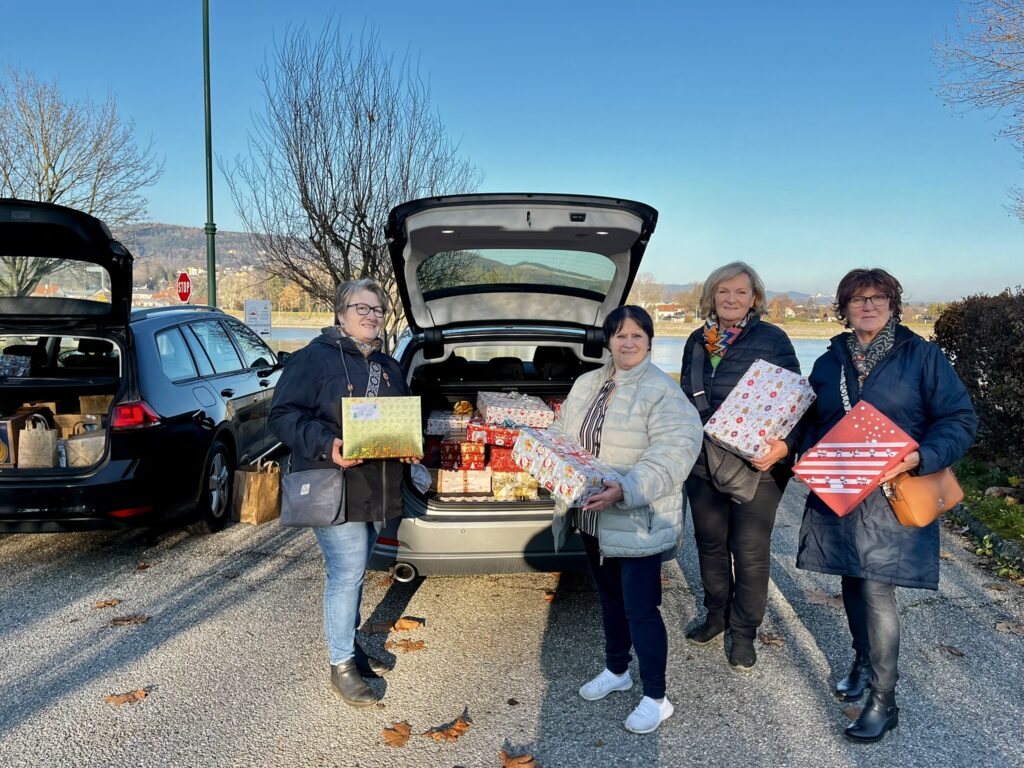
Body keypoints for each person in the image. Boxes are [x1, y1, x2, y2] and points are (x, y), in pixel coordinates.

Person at [796, 268, 976, 743]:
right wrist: (804, 453)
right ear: (845, 308)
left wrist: (920, 457)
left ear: (893, 304)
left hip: (894, 495)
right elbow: (813, 419)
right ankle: (860, 660)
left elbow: (959, 419)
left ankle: (883, 699)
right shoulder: (831, 360)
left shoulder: (922, 356)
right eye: (858, 300)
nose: (868, 306)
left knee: (876, 590)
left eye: (878, 298)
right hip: (841, 491)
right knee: (851, 580)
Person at [549, 305, 702, 735]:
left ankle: (657, 698)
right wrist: (547, 460)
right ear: (608, 341)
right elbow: (562, 433)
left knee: (642, 609)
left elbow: (675, 450)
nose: (628, 342)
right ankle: (618, 670)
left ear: (650, 341)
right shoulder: (587, 384)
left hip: (637, 518)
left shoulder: (662, 392)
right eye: (620, 335)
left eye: (637, 335)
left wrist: (628, 488)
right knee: (610, 600)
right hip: (593, 517)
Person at [269, 278, 420, 709]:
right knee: (348, 570)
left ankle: (351, 649)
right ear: (341, 313)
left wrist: (409, 447)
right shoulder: (313, 360)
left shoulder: (390, 367)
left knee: (356, 568)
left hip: (375, 486)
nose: (371, 316)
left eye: (377, 310)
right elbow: (281, 416)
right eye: (362, 308)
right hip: (330, 483)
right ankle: (340, 664)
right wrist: (326, 443)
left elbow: (398, 420)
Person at [678, 262, 800, 671]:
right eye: (723, 291)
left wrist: (783, 449)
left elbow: (798, 403)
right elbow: (684, 399)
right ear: (711, 295)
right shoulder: (697, 341)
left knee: (748, 550)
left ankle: (744, 631)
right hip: (703, 461)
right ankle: (716, 616)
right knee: (710, 546)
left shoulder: (772, 339)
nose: (731, 299)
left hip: (757, 465)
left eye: (741, 292)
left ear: (755, 298)